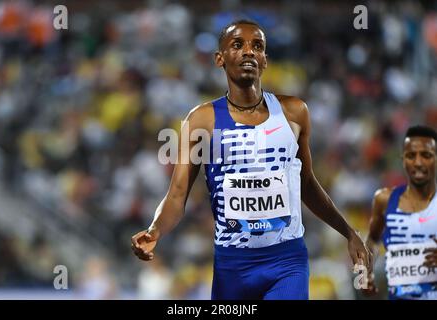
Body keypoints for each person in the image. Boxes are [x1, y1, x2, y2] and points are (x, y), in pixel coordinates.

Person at [131, 20, 369, 300]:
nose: (248, 51)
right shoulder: (202, 121)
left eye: (257, 46)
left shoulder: (294, 113)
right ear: (220, 58)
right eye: (237, 45)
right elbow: (176, 196)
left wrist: (349, 231)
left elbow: (307, 183)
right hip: (232, 267)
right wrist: (155, 229)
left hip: (286, 261)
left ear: (265, 60)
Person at [364, 125, 437, 300]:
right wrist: (365, 273)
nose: (418, 163)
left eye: (426, 155)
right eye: (411, 156)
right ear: (403, 159)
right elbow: (372, 240)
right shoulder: (384, 200)